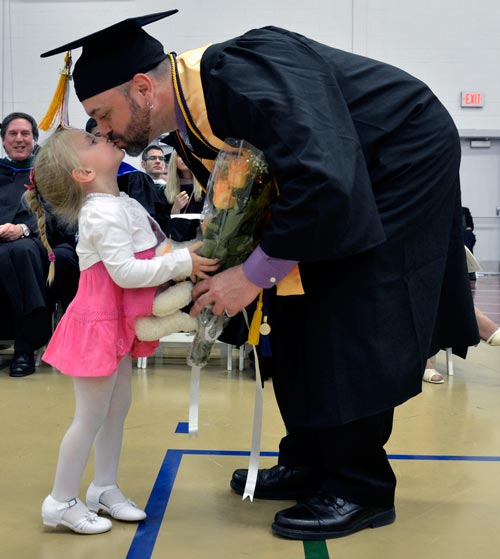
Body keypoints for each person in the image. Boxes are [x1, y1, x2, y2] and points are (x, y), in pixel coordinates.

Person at [40, 11, 479, 540]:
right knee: (294, 309)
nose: (102, 130)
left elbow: (325, 179)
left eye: (102, 114)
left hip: (399, 158)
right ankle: (311, 460)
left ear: (141, 88)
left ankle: (359, 485)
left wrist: (251, 273)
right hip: (340, 180)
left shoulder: (241, 76)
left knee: (348, 310)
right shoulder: (191, 120)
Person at [28, 127, 218, 534]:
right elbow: (127, 272)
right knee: (90, 417)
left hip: (118, 321)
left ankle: (104, 487)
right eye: (92, 142)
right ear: (82, 172)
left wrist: (186, 252)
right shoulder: (100, 211)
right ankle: (60, 501)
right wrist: (185, 265)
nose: (105, 139)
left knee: (117, 410)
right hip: (97, 323)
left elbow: (153, 247)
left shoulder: (122, 201)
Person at [0, 111, 78, 377]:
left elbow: (60, 217)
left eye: (25, 134)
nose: (19, 139)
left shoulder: (49, 173)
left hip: (41, 243)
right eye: (13, 134)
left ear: (35, 139)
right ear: (3, 140)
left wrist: (23, 229)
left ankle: (26, 347)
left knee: (20, 252)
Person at [163, 150, 205, 243]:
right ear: (174, 160)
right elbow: (162, 225)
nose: (184, 158)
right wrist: (176, 209)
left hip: (202, 241)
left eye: (188, 154)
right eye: (180, 155)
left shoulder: (205, 188)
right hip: (178, 243)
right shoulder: (165, 191)